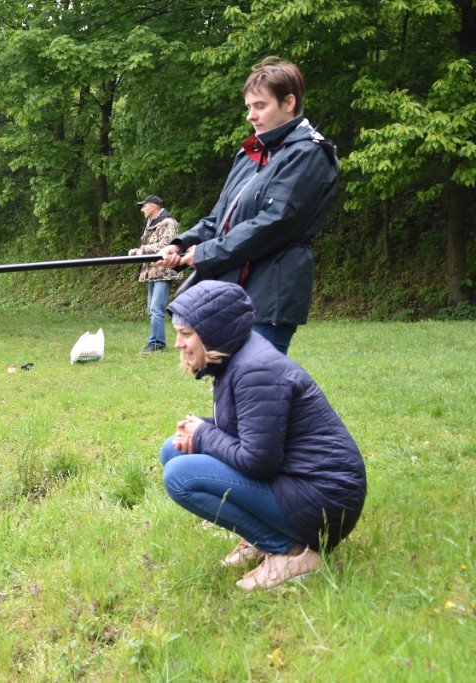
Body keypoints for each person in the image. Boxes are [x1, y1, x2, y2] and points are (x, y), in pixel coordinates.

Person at [159, 280, 366, 591]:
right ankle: (261, 537)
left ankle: (289, 551)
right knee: (173, 451)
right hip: (295, 482)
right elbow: (249, 432)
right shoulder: (235, 358)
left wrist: (203, 434)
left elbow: (258, 460)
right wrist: (199, 430)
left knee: (180, 475)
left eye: (186, 335)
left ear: (214, 331)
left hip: (323, 500)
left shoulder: (256, 371)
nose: (177, 344)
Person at [157, 57, 338, 355]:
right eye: (248, 107)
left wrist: (205, 254)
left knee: (257, 386)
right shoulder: (250, 154)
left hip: (270, 296)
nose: (251, 116)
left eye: (260, 106)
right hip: (230, 291)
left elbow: (275, 223)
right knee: (225, 386)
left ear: (289, 102)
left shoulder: (308, 154)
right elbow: (219, 219)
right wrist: (182, 243)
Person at [127, 195, 181, 354]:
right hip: (151, 271)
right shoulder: (151, 224)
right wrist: (137, 251)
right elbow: (149, 245)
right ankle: (157, 341)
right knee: (152, 309)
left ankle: (156, 343)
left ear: (153, 206)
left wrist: (142, 250)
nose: (142, 209)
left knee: (156, 308)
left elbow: (167, 244)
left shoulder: (168, 223)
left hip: (163, 271)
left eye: (144, 206)